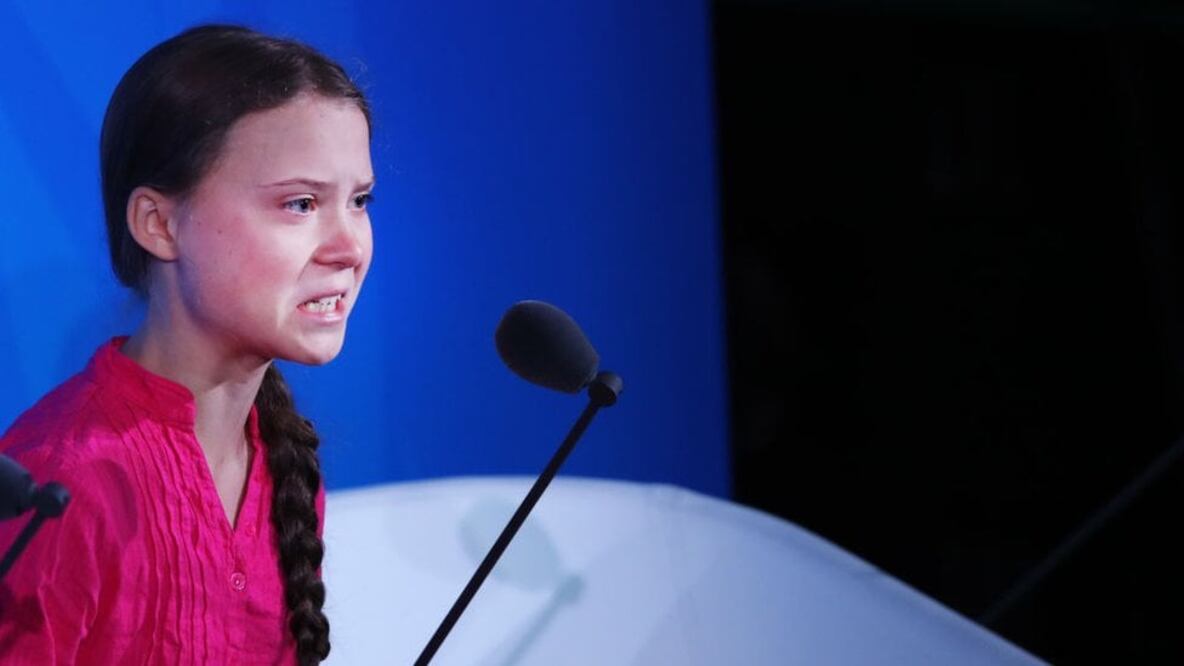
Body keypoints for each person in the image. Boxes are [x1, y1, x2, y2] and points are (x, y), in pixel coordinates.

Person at [0, 24, 374, 665]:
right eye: (301, 203)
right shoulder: (63, 481)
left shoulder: (282, 465)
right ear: (159, 223)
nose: (349, 247)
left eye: (361, 200)